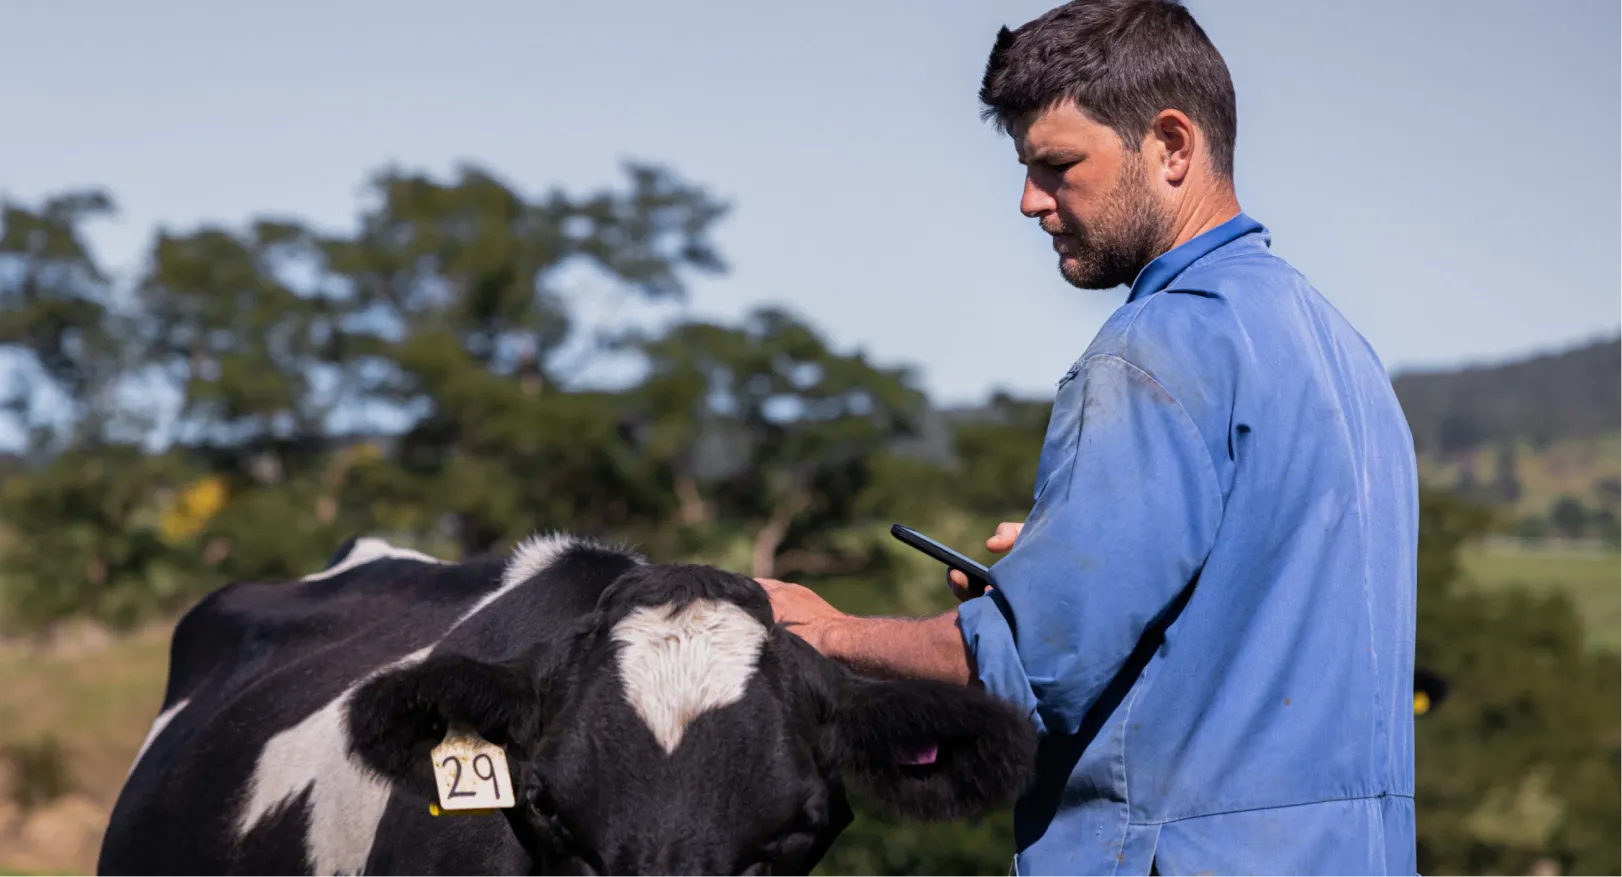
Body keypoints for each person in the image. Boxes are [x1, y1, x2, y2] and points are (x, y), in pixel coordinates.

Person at [756, 1, 1421, 875]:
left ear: (1172, 145)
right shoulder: (1338, 347)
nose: (1031, 200)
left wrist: (826, 634)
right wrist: (1054, 568)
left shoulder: (1158, 347)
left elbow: (1029, 669)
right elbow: (1249, 619)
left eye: (1058, 165)